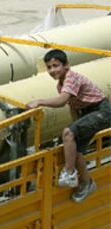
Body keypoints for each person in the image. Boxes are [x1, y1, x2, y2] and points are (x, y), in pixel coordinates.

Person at [26, 49, 111, 202]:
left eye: (56, 66)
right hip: (87, 113)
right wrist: (73, 128)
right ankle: (87, 183)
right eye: (49, 67)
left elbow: (62, 101)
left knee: (68, 133)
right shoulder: (61, 84)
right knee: (74, 148)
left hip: (100, 111)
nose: (52, 70)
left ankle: (69, 172)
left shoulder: (71, 78)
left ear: (67, 66)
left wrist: (39, 101)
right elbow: (73, 106)